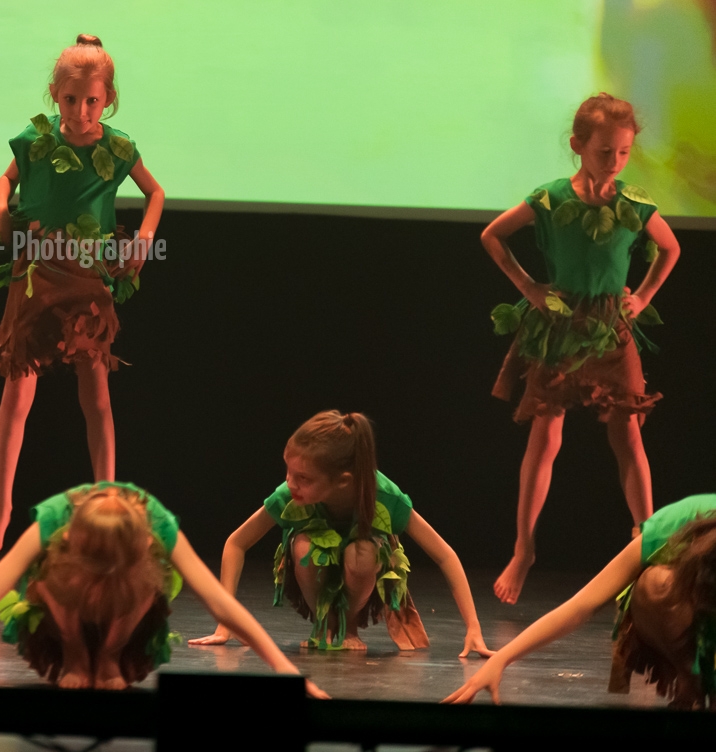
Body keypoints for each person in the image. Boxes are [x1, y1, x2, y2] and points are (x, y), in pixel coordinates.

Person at [483, 92, 679, 603]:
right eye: (603, 151)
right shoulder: (552, 199)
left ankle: (645, 539)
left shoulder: (632, 203)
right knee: (545, 435)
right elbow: (493, 235)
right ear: (578, 146)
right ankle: (524, 548)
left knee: (628, 435)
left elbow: (670, 246)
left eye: (623, 152)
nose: (614, 161)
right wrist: (529, 287)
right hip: (561, 323)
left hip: (610, 328)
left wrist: (643, 296)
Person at [0, 35, 165, 557]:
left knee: (96, 395)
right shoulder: (36, 143)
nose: (81, 112)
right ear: (54, 94)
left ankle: (106, 498)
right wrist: (0, 208)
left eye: (93, 101)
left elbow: (155, 193)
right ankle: (0, 508)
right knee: (17, 394)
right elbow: (5, 180)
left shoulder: (117, 148)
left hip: (86, 280)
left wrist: (144, 238)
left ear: (108, 100)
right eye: (71, 100)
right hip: (37, 274)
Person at [0, 482, 325, 695]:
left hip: (132, 585)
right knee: (56, 586)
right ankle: (77, 656)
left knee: (140, 589)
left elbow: (220, 602)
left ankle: (107, 658)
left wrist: (287, 673)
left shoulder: (157, 526)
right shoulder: (55, 520)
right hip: (65, 589)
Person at [190, 411, 492, 656]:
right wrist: (225, 622)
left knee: (362, 552)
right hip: (310, 568)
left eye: (303, 478)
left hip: (364, 569)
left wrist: (474, 628)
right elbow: (237, 543)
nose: (290, 483)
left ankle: (348, 629)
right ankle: (324, 625)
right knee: (305, 546)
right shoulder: (290, 493)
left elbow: (444, 555)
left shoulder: (383, 495)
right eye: (288, 472)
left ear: (344, 481)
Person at [446, 495, 716, 709]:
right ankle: (691, 679)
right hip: (685, 615)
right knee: (655, 584)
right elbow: (582, 605)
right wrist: (502, 659)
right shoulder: (672, 526)